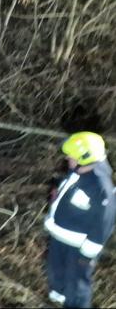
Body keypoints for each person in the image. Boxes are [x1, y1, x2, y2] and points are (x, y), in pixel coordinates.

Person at [45, 132, 115, 308]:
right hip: (60, 239)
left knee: (76, 286)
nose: (68, 158)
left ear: (85, 156)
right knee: (57, 274)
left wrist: (88, 254)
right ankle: (60, 300)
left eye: (72, 155)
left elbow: (104, 222)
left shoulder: (101, 187)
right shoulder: (77, 172)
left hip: (79, 248)